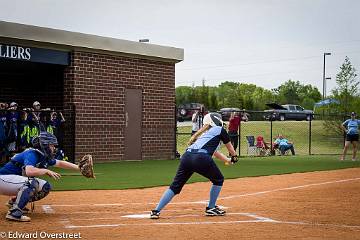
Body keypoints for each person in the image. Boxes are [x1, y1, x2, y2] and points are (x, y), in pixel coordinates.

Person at [150, 112, 238, 219]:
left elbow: (215, 152)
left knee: (175, 186)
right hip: (201, 158)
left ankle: (156, 211)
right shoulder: (220, 130)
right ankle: (211, 208)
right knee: (218, 179)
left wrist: (228, 160)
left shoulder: (205, 134)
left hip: (186, 157)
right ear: (216, 121)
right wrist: (234, 157)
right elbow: (230, 148)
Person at [0, 131, 81, 222]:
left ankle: (14, 203)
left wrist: (79, 168)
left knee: (45, 186)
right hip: (3, 180)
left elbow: (60, 163)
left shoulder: (42, 156)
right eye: (52, 145)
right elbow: (29, 171)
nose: (54, 148)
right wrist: (45, 171)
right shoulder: (32, 153)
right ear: (45, 145)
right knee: (32, 182)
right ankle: (14, 213)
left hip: (11, 182)